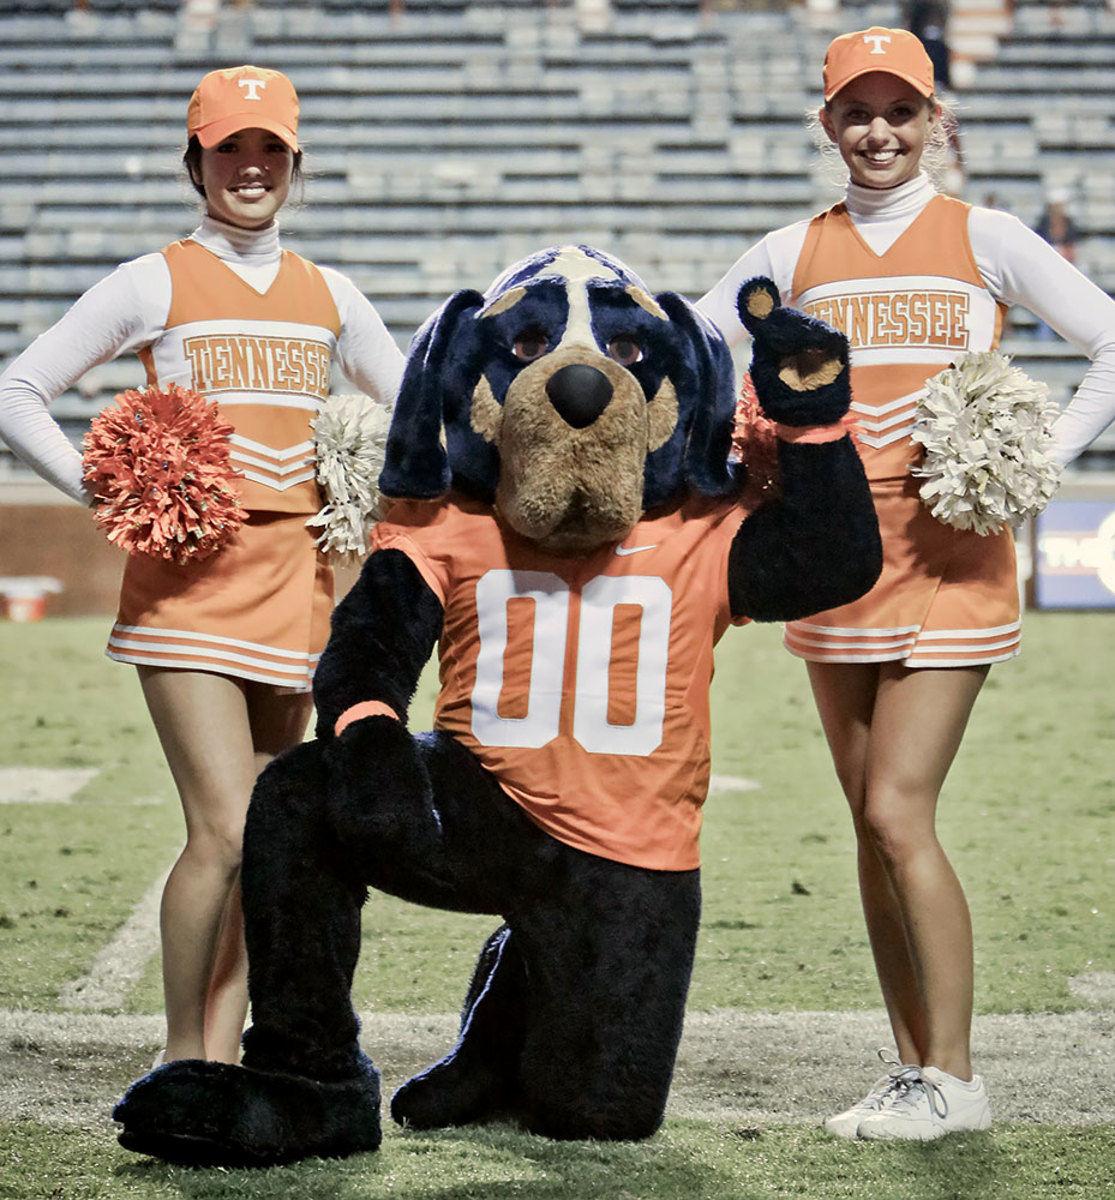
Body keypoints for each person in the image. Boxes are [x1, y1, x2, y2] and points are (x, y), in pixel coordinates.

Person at [698, 26, 1115, 1140]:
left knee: (895, 809)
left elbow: (1110, 341)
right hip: (831, 561)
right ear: (826, 123)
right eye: (856, 111)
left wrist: (1034, 458)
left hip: (949, 557)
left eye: (900, 111)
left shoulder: (986, 237)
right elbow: (691, 348)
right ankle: (913, 1070)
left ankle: (957, 1078)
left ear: (935, 120)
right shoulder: (789, 250)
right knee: (866, 826)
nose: (878, 131)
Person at [0, 65, 405, 1065]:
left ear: (295, 164)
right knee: (223, 828)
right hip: (189, 588)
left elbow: (413, 412)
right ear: (197, 162)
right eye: (230, 148)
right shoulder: (154, 280)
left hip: (300, 585)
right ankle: (185, 1062)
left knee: (266, 836)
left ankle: (226, 1056)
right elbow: (17, 392)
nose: (251, 167)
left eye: (270, 149)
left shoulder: (331, 293)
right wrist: (107, 489)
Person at [1033, 187, 1079, 339]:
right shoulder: (1043, 223)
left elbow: (1072, 247)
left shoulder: (1068, 223)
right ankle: (1044, 334)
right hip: (1046, 267)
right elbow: (1037, 244)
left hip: (1065, 265)